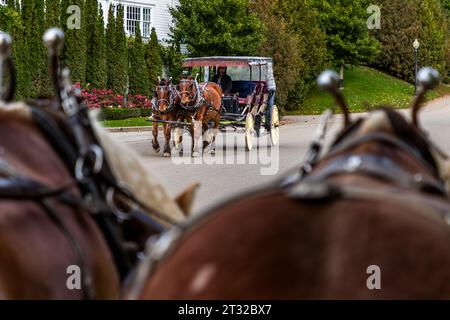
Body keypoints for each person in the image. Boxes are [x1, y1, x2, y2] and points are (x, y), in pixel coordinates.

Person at [265, 61, 276, 132]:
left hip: (269, 88)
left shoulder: (265, 69)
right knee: (269, 106)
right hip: (271, 87)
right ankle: (268, 123)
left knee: (269, 106)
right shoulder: (268, 66)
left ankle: (268, 124)